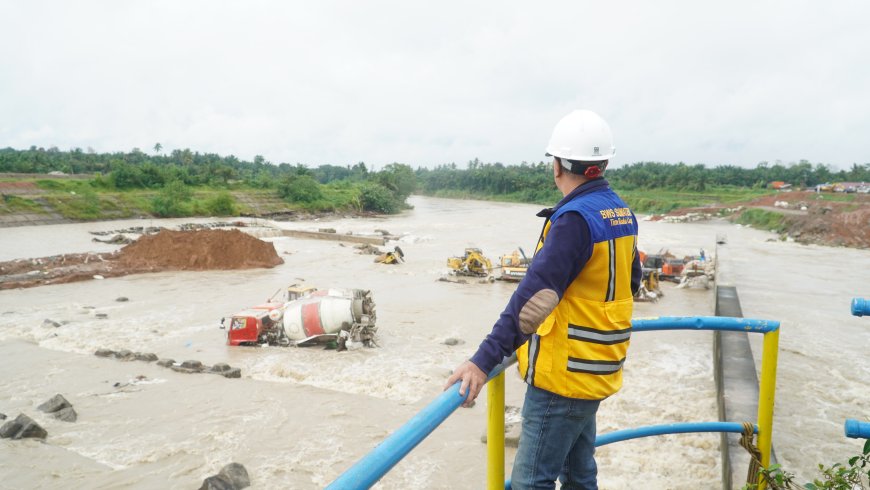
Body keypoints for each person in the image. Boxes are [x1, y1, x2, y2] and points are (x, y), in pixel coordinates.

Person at [445, 110, 641, 489]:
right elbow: (629, 282)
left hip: (564, 374)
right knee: (579, 474)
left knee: (530, 482)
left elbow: (533, 297)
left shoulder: (575, 220)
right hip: (600, 363)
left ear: (557, 166)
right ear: (601, 165)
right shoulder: (620, 212)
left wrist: (482, 361)